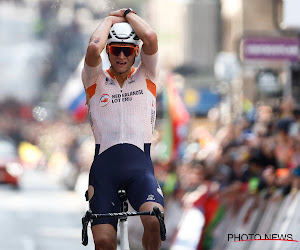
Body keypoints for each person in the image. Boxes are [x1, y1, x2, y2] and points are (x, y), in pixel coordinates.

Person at [81, 8, 164, 250]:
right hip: (104, 174)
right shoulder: (94, 79)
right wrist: (109, 19)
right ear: (109, 50)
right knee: (105, 242)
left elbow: (150, 37)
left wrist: (127, 13)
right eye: (115, 49)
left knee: (155, 220)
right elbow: (93, 49)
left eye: (126, 51)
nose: (120, 56)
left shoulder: (147, 75)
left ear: (135, 53)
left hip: (141, 173)